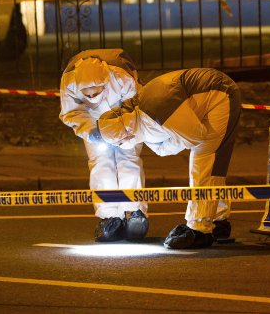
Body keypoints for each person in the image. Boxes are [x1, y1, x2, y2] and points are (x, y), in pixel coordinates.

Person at [97, 68, 241, 249]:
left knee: (205, 161)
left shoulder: (154, 110)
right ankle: (217, 221)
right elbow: (171, 137)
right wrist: (165, 143)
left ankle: (200, 228)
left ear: (124, 129)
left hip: (220, 94)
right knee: (213, 164)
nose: (126, 143)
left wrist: (165, 145)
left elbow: (194, 136)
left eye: (123, 139)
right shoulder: (139, 111)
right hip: (217, 90)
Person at [59, 49, 149, 242]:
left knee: (129, 161)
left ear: (106, 82)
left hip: (124, 121)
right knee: (101, 164)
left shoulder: (121, 77)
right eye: (88, 94)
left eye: (97, 92)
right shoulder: (69, 83)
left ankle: (134, 213)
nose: (93, 97)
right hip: (94, 124)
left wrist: (124, 129)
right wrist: (93, 132)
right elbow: (71, 113)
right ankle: (109, 216)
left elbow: (136, 103)